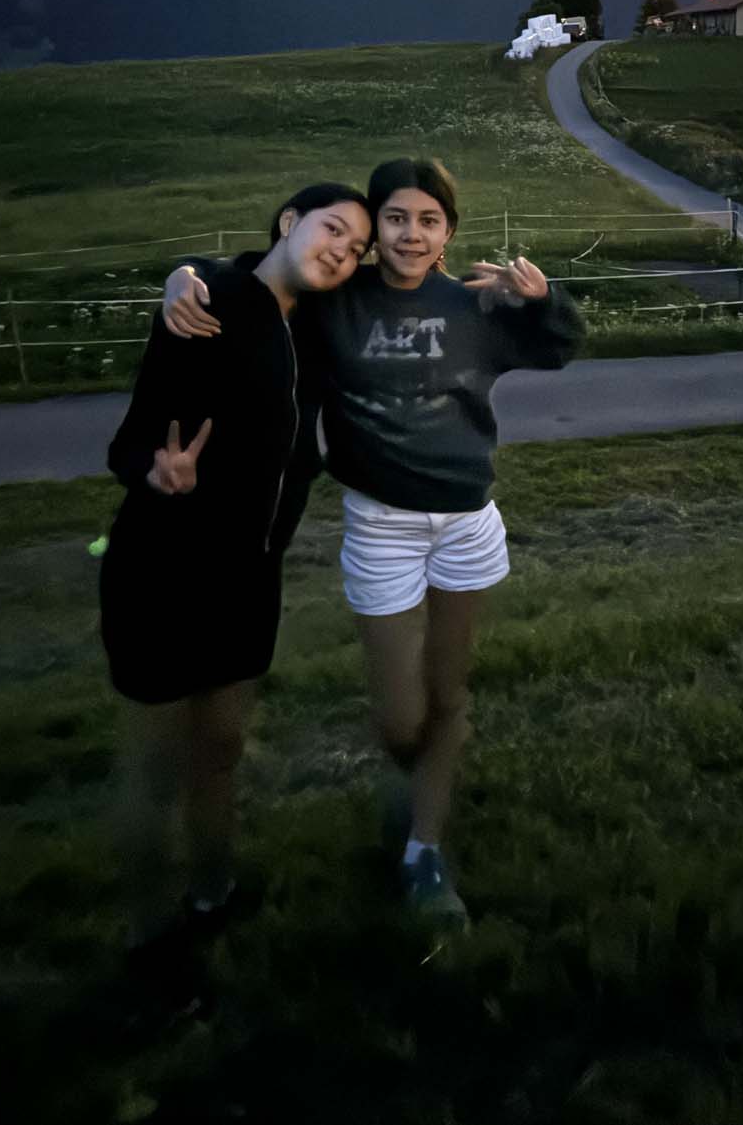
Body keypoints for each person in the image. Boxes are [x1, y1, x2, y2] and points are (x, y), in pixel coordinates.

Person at [161, 157, 582, 928]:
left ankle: (425, 848)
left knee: (448, 695)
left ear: (448, 231)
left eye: (428, 220)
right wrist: (184, 275)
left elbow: (558, 345)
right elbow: (258, 278)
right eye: (394, 218)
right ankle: (420, 779)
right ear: (375, 227)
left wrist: (543, 298)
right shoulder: (338, 302)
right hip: (381, 525)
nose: (410, 234)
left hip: (466, 523)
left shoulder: (475, 304)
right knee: (398, 719)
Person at [102, 181, 371, 1018]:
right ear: (289, 222)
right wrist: (156, 470)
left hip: (251, 580)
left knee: (220, 747)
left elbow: (404, 276)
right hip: (160, 574)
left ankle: (213, 894)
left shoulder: (319, 327)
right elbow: (128, 440)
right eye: (333, 228)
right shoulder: (208, 304)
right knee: (154, 767)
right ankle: (149, 943)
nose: (343, 249)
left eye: (355, 245)